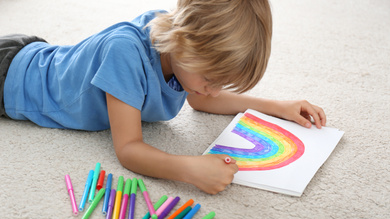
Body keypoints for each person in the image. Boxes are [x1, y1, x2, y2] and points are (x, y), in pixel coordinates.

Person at [0, 0, 326, 194]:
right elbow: (128, 149)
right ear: (183, 40)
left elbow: (201, 100)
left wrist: (275, 107)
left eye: (220, 82)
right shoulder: (125, 53)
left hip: (35, 54)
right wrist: (189, 169)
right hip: (11, 80)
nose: (213, 89)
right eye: (211, 79)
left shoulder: (181, 54)